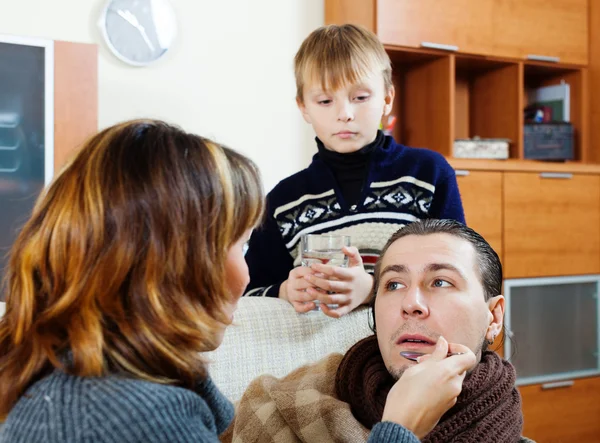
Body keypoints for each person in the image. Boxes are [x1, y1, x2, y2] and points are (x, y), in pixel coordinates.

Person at [0, 120, 265, 442]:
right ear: (172, 262)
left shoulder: (105, 379)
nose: (247, 275)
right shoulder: (127, 418)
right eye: (238, 244)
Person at [226, 219, 533, 443]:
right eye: (394, 285)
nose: (411, 304)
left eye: (441, 282)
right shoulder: (281, 407)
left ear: (493, 317)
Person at [244, 24, 465, 317]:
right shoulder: (282, 202)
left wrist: (374, 289)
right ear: (303, 108)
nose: (344, 113)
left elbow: (461, 277)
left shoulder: (428, 174)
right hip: (319, 359)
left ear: (387, 99)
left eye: (360, 97)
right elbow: (250, 294)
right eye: (325, 101)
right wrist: (285, 290)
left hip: (412, 352)